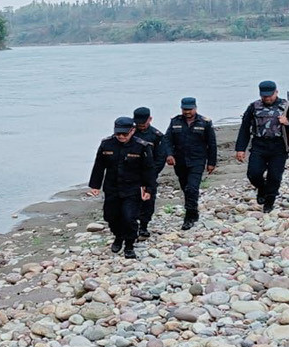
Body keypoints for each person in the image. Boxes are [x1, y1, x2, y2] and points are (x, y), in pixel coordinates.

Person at [234, 80, 289, 213]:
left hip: (279, 146)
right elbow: (244, 128)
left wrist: (288, 123)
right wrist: (240, 149)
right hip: (259, 145)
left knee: (274, 176)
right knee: (253, 174)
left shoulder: (286, 106)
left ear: (276, 92)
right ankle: (262, 188)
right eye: (264, 96)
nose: (267, 98)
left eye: (269, 95)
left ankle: (269, 201)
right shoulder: (254, 107)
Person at [88, 116, 154, 258]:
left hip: (132, 188)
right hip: (112, 187)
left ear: (132, 131)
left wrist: (148, 189)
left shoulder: (142, 146)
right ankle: (118, 236)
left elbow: (148, 170)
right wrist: (95, 185)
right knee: (110, 216)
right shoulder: (107, 144)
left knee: (129, 218)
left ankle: (129, 245)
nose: (121, 136)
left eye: (124, 134)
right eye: (118, 133)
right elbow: (99, 166)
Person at [162, 97, 217, 230]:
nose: (187, 112)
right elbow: (167, 140)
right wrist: (169, 154)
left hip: (197, 160)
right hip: (179, 161)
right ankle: (193, 210)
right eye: (184, 109)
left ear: (195, 108)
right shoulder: (175, 121)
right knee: (185, 188)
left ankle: (189, 216)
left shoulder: (204, 122)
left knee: (192, 188)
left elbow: (212, 143)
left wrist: (211, 162)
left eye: (190, 109)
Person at [131, 106, 165, 239]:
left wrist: (151, 174)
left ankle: (144, 226)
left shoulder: (156, 136)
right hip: (131, 173)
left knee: (148, 201)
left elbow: (160, 158)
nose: (141, 126)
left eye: (143, 123)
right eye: (138, 123)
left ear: (150, 119)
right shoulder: (129, 132)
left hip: (149, 173)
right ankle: (131, 225)